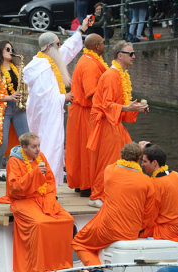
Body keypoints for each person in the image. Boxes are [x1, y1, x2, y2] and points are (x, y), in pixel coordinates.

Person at [23, 16, 90, 186]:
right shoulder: (40, 67)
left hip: (52, 112)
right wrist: (63, 97)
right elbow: (42, 96)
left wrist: (81, 30)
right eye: (57, 44)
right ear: (48, 47)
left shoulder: (51, 60)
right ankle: (45, 182)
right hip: (44, 114)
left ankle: (50, 181)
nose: (60, 47)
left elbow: (67, 49)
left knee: (54, 145)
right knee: (48, 145)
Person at [87, 40, 149, 207]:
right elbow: (106, 104)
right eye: (131, 54)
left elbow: (119, 104)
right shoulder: (110, 76)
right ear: (119, 56)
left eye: (133, 53)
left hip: (113, 121)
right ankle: (98, 196)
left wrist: (135, 108)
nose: (134, 56)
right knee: (108, 159)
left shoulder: (122, 75)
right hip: (105, 122)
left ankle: (118, 191)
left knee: (126, 153)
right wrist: (127, 107)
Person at [72, 142, 155, 266]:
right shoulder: (147, 181)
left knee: (78, 243)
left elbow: (117, 164)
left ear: (121, 156)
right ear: (139, 159)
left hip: (108, 229)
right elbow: (149, 214)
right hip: (131, 232)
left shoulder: (109, 171)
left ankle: (97, 269)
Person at [6, 132, 74, 272]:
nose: (38, 150)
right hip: (23, 200)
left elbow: (50, 181)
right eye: (34, 147)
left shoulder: (40, 157)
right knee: (40, 224)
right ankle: (40, 266)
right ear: (24, 148)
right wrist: (34, 173)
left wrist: (49, 200)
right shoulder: (14, 161)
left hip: (44, 198)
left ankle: (60, 264)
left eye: (39, 146)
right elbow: (15, 188)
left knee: (67, 219)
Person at [65, 34, 108, 197]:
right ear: (97, 46)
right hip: (85, 111)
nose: (105, 45)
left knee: (79, 148)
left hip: (80, 110)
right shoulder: (90, 65)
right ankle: (86, 186)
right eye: (103, 43)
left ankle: (80, 184)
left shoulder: (87, 60)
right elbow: (92, 93)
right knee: (87, 149)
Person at [0, 41, 29, 186]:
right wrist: (8, 97)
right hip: (3, 108)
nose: (11, 51)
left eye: (11, 49)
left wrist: (23, 95)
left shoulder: (17, 68)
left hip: (18, 107)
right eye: (7, 49)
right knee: (1, 143)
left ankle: (26, 171)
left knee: (26, 140)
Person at [140, 144, 178, 241]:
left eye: (144, 161)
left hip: (168, 230)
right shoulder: (176, 175)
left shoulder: (154, 184)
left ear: (154, 163)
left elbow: (150, 215)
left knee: (132, 231)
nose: (142, 165)